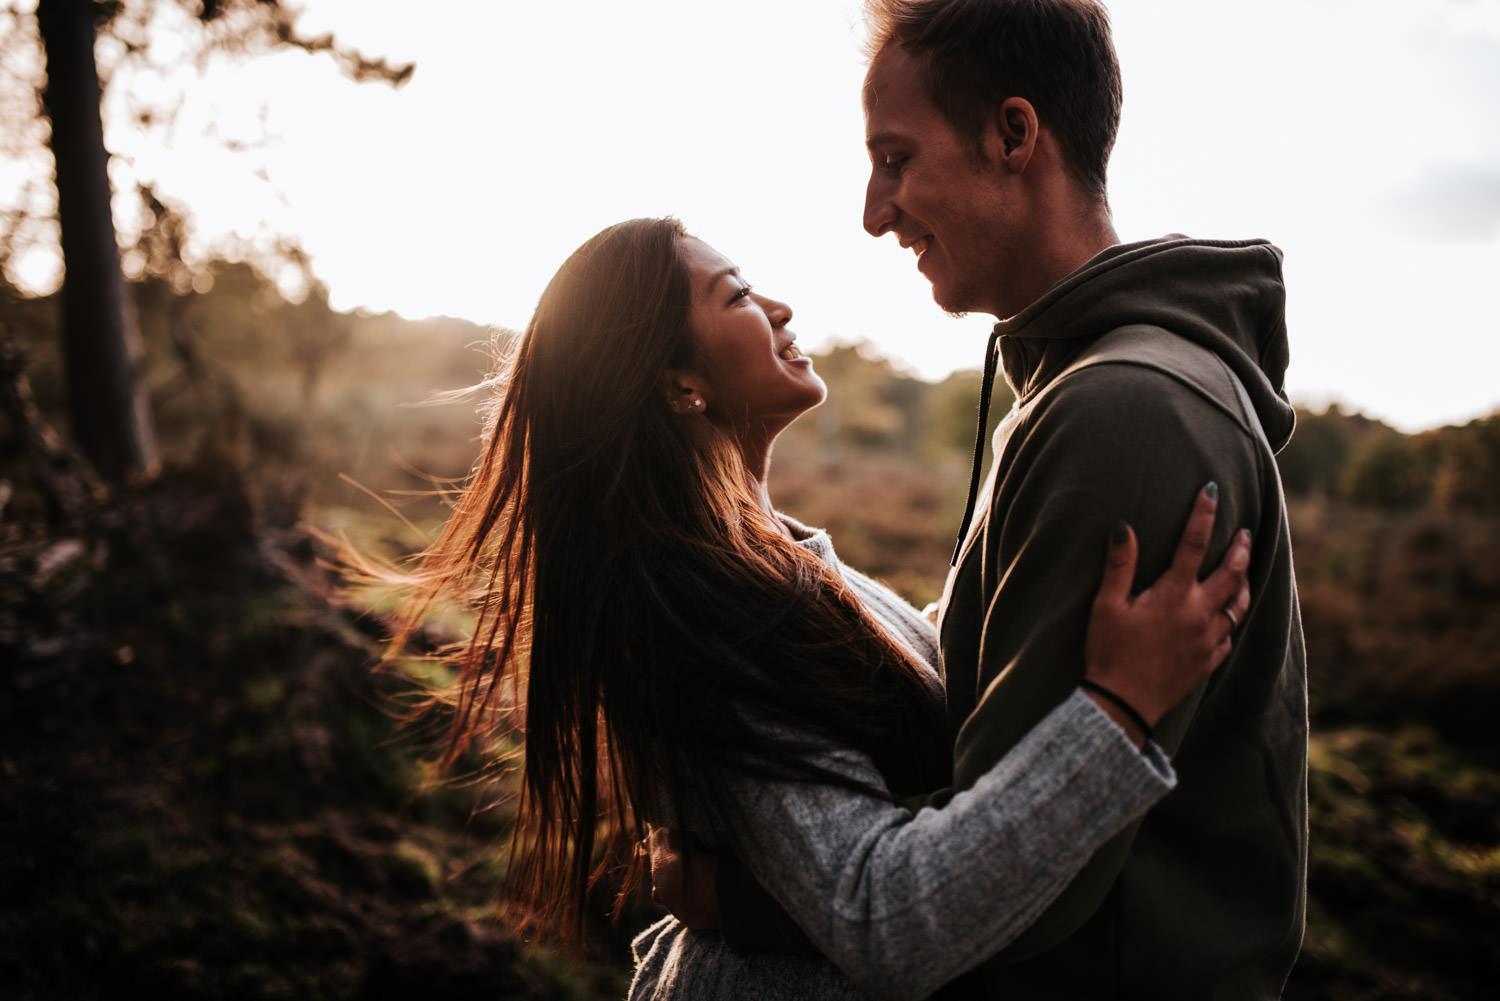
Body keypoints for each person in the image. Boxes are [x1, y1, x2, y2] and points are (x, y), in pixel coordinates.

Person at [373, 216, 1253, 999]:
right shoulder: (713, 618)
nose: (780, 307)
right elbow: (883, 916)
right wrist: (1119, 711)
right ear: (681, 382)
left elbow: (893, 681)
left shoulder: (760, 563)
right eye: (738, 295)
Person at [827, 0, 1306, 995]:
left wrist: (732, 886)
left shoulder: (1123, 414)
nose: (876, 210)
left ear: (1013, 135)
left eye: (896, 159)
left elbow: (1009, 880)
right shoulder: (1082, 387)